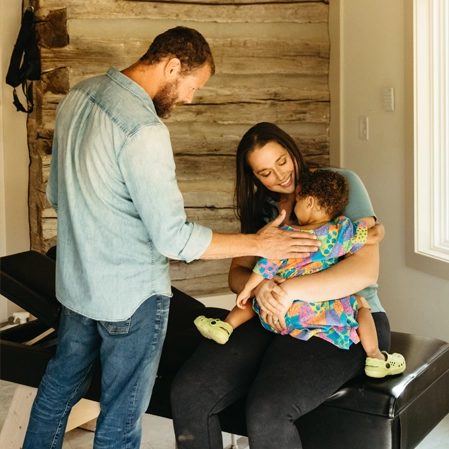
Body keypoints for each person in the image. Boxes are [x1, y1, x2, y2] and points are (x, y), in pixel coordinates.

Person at [22, 32, 319, 449]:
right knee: (120, 417)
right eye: (193, 87)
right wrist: (258, 244)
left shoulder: (80, 94)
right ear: (173, 67)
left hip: (76, 283)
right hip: (130, 298)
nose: (190, 99)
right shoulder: (144, 129)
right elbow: (174, 241)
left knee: (58, 389)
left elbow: (56, 195)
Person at [170, 122, 396, 448]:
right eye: (264, 173)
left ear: (292, 150)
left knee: (268, 410)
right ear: (254, 177)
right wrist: (261, 289)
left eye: (281, 161)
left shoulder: (338, 184)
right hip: (274, 317)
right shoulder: (264, 207)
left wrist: (287, 291)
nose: (279, 177)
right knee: (190, 391)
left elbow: (364, 272)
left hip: (342, 318)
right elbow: (239, 275)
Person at [194, 169, 405, 378]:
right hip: (314, 312)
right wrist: (381, 228)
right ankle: (375, 356)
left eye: (298, 202)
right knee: (360, 304)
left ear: (310, 202)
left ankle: (225, 326)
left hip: (276, 312)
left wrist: (249, 288)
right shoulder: (341, 231)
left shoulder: (286, 235)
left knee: (253, 301)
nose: (295, 207)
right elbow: (374, 234)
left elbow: (266, 265)